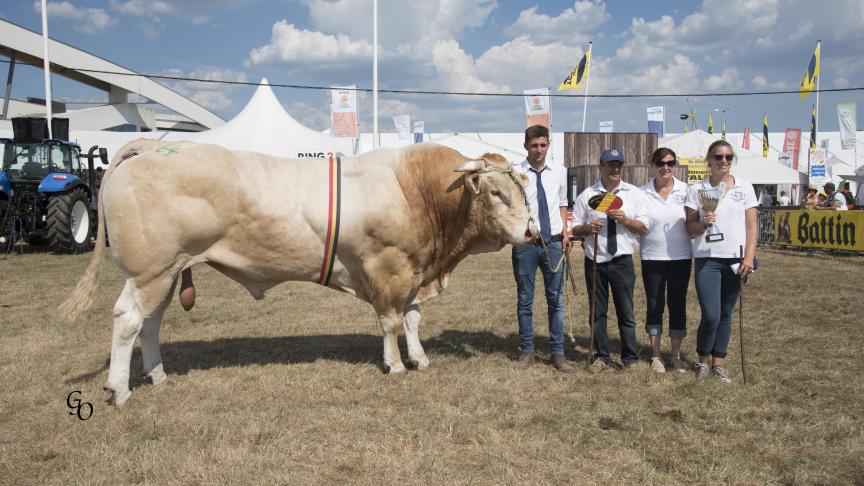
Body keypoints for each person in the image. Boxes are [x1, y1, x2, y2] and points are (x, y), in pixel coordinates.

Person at [685, 140, 758, 383]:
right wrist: (703, 222)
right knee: (711, 315)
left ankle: (719, 363)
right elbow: (690, 227)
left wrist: (749, 256)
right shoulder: (697, 189)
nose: (723, 161)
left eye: (728, 156)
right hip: (708, 258)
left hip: (736, 258)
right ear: (709, 159)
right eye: (718, 156)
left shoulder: (745, 188)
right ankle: (702, 361)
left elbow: (752, 225)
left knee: (726, 313)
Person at [571, 148, 648, 373]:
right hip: (595, 261)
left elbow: (644, 226)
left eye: (618, 165)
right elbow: (575, 227)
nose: (614, 169)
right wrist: (588, 228)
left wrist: (626, 220)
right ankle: (601, 356)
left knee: (626, 312)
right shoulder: (587, 196)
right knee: (597, 312)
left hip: (622, 260)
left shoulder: (633, 193)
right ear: (600, 167)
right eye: (610, 165)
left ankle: (630, 358)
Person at [511, 124, 575, 373]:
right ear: (526, 146)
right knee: (525, 299)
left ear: (548, 145)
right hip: (526, 244)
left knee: (555, 299)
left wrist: (566, 233)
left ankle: (557, 353)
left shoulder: (559, 170)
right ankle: (527, 350)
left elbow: (562, 203)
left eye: (543, 145)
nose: (539, 150)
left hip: (554, 242)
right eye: (534, 145)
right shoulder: (516, 172)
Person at [638, 148, 691, 373]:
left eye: (670, 163)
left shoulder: (687, 191)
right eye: (660, 163)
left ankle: (676, 356)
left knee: (677, 306)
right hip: (652, 257)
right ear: (652, 165)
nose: (665, 167)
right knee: (654, 305)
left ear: (675, 165)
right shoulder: (641, 192)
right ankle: (656, 356)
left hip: (681, 257)